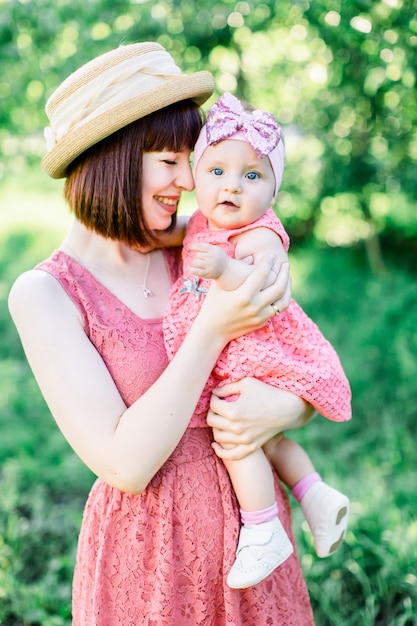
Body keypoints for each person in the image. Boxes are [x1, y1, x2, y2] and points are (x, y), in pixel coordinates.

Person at [8, 43, 318, 625]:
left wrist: (283, 409)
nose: (187, 180)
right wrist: (211, 328)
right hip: (151, 561)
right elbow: (126, 464)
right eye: (167, 160)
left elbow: (297, 364)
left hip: (252, 537)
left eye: (189, 158)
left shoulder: (203, 248)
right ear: (112, 158)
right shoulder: (47, 294)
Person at [163, 92, 352, 589]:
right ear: (197, 177)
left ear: (272, 191)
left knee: (236, 433)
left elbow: (257, 284)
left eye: (252, 176)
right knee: (270, 440)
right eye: (217, 171)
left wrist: (225, 267)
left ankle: (263, 526)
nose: (231, 187)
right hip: (235, 351)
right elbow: (169, 230)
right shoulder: (203, 223)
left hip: (255, 353)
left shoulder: (261, 234)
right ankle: (315, 494)